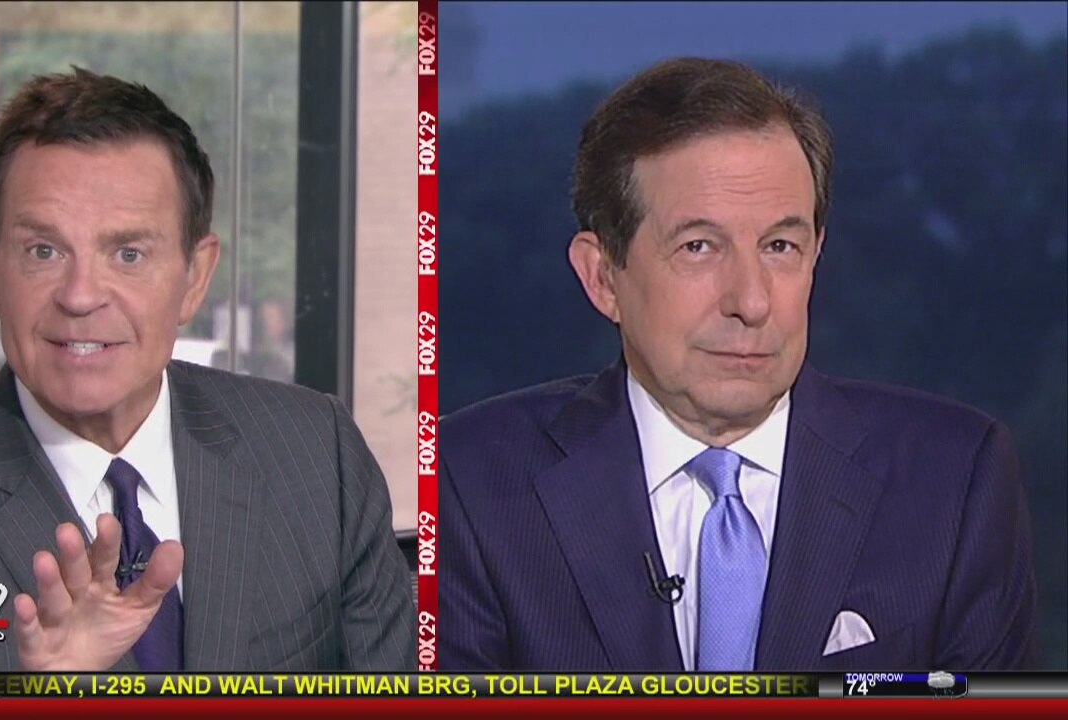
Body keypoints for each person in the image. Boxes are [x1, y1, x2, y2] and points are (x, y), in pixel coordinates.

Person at [0, 67, 414, 672]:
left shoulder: (316, 454)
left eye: (128, 253)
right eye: (43, 251)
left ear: (195, 276)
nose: (80, 296)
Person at [438, 57, 1037, 672]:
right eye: (699, 247)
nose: (751, 302)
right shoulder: (473, 484)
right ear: (603, 278)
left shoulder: (955, 480)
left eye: (780, 246)